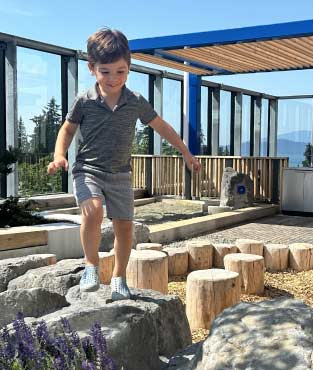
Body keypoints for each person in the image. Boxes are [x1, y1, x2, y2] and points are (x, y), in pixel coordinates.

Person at [47, 28, 201, 301]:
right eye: (106, 72)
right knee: (93, 211)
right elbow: (67, 130)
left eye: (121, 71)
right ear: (92, 68)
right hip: (88, 170)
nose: (113, 79)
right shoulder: (84, 100)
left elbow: (162, 127)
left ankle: (119, 278)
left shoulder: (135, 101)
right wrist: (59, 154)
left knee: (125, 227)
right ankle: (91, 266)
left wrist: (186, 152)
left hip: (120, 174)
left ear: (129, 68)